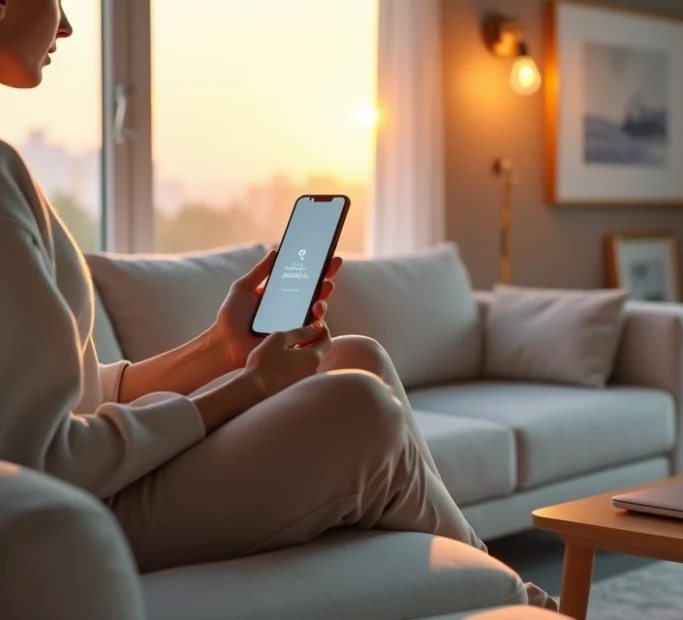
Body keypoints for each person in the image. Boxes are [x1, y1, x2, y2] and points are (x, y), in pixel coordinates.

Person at [0, 0, 556, 608]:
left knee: (353, 357)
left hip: (101, 479)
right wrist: (247, 387)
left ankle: (500, 587)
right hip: (82, 512)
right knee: (358, 406)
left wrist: (220, 350)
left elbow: (71, 398)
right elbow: (46, 460)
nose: (67, 25)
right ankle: (515, 598)